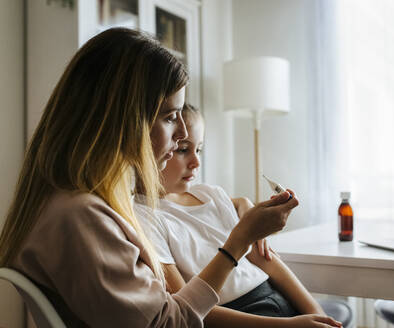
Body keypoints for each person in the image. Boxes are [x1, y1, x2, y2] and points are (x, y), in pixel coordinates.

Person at [0, 28, 341, 328]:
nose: (180, 134)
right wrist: (238, 241)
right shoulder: (82, 218)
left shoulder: (72, 205)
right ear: (123, 120)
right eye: (168, 117)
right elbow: (169, 323)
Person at [135, 104, 343, 328]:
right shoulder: (145, 216)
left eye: (200, 150)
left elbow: (269, 262)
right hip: (239, 317)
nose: (196, 162)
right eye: (183, 150)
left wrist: (316, 313)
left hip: (275, 296)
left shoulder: (211, 195)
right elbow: (185, 309)